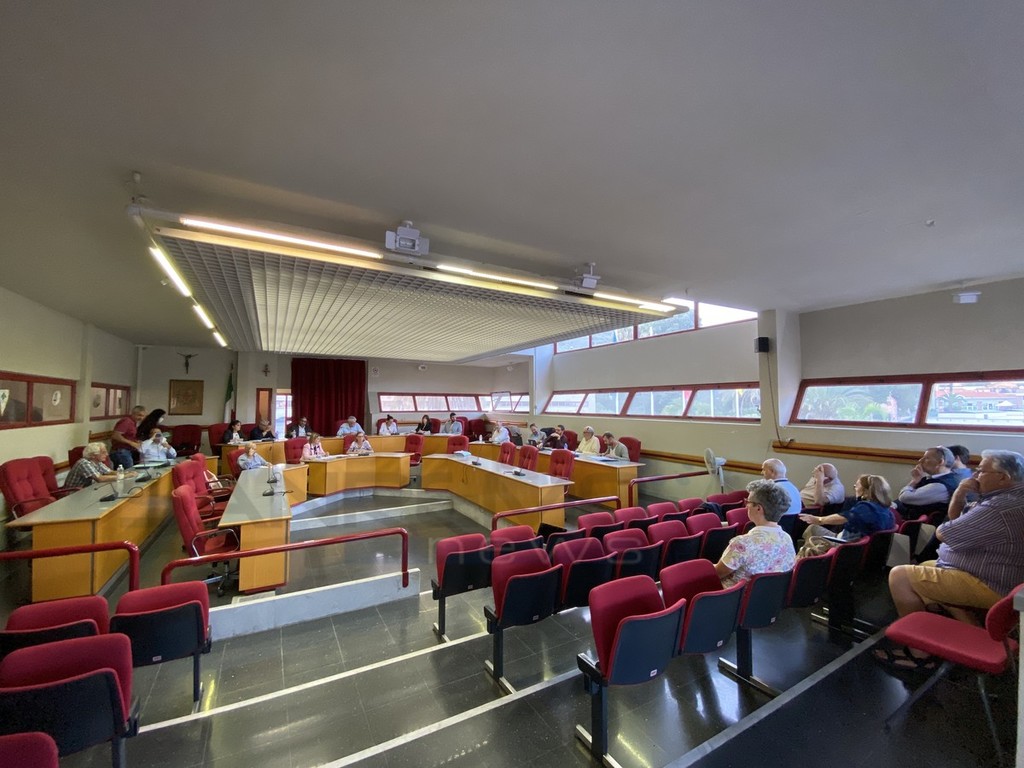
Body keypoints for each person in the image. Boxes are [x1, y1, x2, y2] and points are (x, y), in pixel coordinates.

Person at [886, 450, 1024, 638]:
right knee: (927, 566)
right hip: (992, 574)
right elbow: (954, 519)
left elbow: (943, 533)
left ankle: (917, 646)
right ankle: (979, 636)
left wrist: (947, 526)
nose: (975, 476)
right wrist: (959, 493)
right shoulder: (1005, 498)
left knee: (899, 576)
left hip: (992, 583)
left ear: (1003, 477)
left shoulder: (999, 507)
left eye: (981, 471)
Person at [714, 479, 797, 588]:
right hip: (772, 595)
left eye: (748, 502)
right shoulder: (786, 538)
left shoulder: (742, 544)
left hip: (736, 597)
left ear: (758, 508)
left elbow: (717, 574)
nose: (746, 506)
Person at [797, 474, 895, 556]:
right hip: (858, 545)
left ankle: (806, 559)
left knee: (811, 537)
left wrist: (819, 520)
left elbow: (845, 517)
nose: (855, 488)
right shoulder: (888, 511)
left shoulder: (867, 507)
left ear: (866, 491)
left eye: (856, 486)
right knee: (812, 528)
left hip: (845, 546)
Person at [896, 446, 959, 521]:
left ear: (940, 462)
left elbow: (904, 497)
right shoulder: (936, 478)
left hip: (912, 523)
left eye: (926, 458)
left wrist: (914, 481)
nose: (920, 460)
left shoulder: (940, 486)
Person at [64, 442, 130, 488]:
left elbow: (109, 472)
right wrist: (125, 476)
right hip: (72, 493)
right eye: (103, 452)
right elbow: (100, 479)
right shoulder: (84, 463)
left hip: (85, 490)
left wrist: (127, 473)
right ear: (93, 455)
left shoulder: (97, 462)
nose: (107, 454)